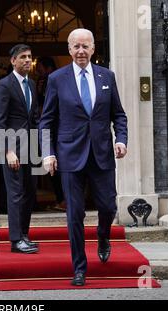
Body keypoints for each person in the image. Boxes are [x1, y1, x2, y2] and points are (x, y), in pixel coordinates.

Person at [39, 29, 128, 286]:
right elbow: (47, 120)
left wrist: (121, 139)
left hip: (102, 155)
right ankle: (79, 267)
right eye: (76, 46)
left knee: (108, 207)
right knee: (74, 214)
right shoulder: (57, 79)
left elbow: (118, 115)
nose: (80, 51)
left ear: (92, 49)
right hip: (69, 156)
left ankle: (102, 235)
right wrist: (48, 153)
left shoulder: (106, 76)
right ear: (69, 49)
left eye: (85, 46)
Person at [0, 44, 40, 254]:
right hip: (13, 149)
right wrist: (7, 150)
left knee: (29, 193)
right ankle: (15, 240)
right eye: (23, 57)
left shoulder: (32, 85)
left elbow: (36, 118)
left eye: (30, 57)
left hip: (31, 148)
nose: (28, 60)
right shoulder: (4, 86)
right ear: (13, 61)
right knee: (15, 194)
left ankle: (24, 235)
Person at [35, 57, 66, 212]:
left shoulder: (53, 80)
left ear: (48, 68)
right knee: (52, 167)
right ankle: (62, 199)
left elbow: (45, 106)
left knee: (57, 169)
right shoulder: (43, 81)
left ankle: (63, 200)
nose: (37, 71)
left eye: (39, 68)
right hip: (48, 130)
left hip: (56, 130)